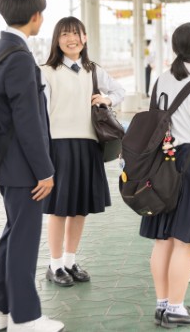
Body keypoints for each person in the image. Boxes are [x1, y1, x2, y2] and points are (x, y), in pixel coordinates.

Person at [0, 0, 64, 332]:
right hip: (24, 168)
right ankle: (26, 318)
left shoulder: (0, 49)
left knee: (12, 237)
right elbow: (28, 121)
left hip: (9, 164)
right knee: (23, 241)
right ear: (35, 16)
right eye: (41, 14)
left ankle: (1, 313)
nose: (42, 19)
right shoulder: (18, 56)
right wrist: (44, 171)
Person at [139, 22, 190, 328]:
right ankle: (175, 308)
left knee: (162, 241)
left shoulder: (161, 80)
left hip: (161, 164)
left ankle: (162, 306)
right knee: (185, 243)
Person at [40, 16, 125, 287]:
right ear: (57, 40)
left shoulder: (93, 70)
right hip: (58, 145)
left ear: (85, 38)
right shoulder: (46, 71)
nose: (71, 39)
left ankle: (69, 261)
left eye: (76, 34)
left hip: (88, 145)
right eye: (64, 34)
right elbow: (40, 114)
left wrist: (107, 99)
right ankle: (54, 265)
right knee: (58, 210)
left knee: (79, 209)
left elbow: (120, 91)